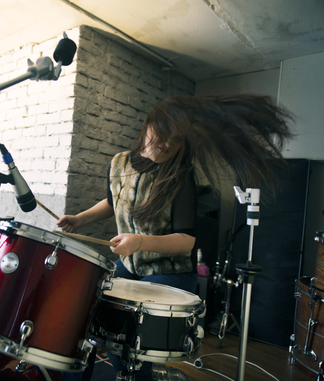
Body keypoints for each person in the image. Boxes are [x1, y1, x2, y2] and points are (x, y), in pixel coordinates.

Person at [57, 94, 293, 380]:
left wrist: (140, 242)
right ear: (147, 126)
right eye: (164, 134)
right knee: (93, 315)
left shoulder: (181, 176)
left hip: (171, 271)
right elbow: (111, 202)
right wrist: (79, 219)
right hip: (130, 266)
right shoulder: (118, 163)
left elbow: (186, 240)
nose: (168, 144)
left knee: (131, 337)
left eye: (177, 139)